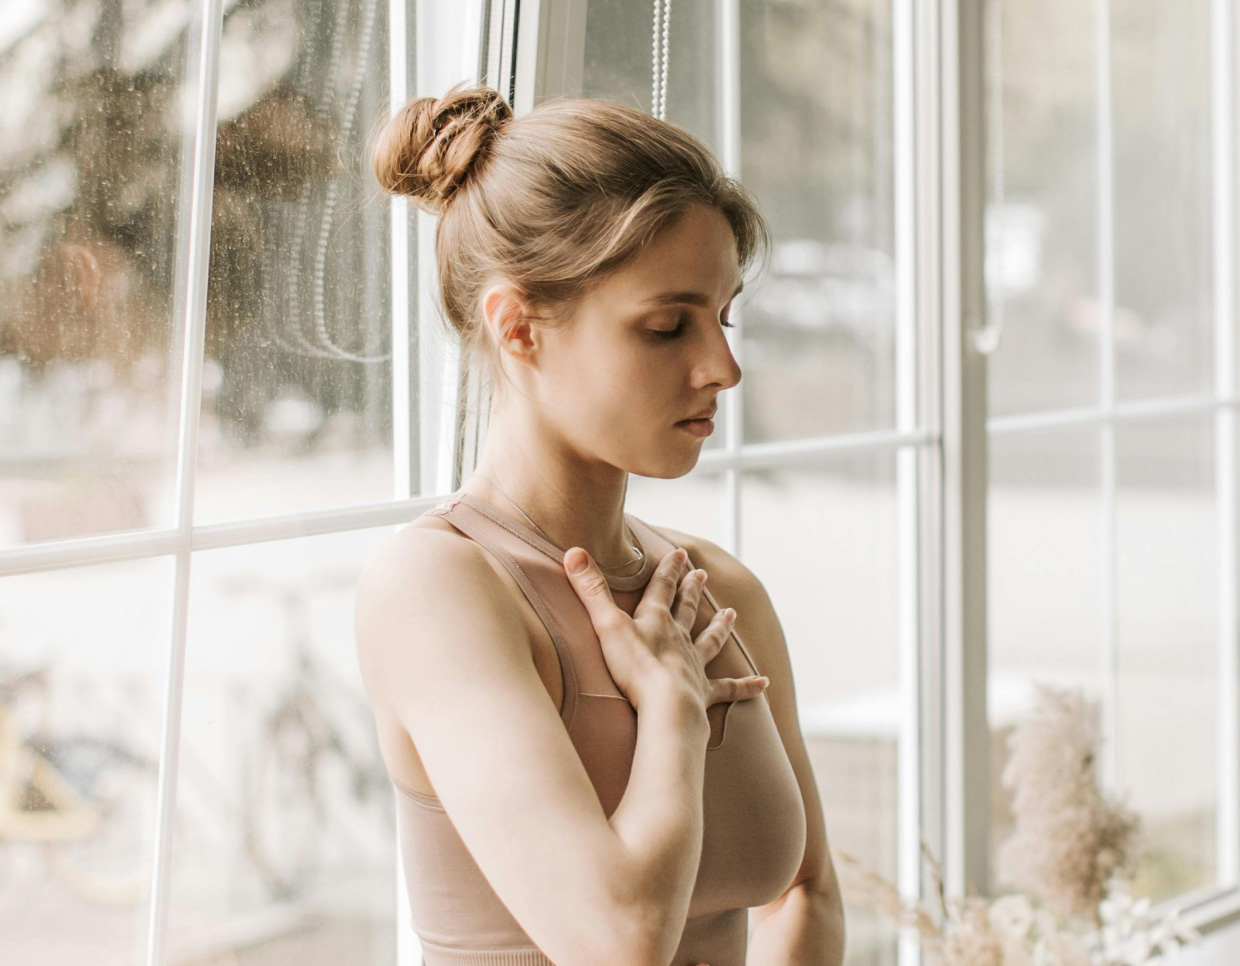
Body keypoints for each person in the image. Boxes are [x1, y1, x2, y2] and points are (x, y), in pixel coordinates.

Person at [354, 80, 845, 966]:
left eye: (725, 316)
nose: (723, 367)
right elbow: (617, 940)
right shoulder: (439, 589)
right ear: (519, 328)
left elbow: (806, 893)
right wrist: (670, 713)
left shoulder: (722, 591)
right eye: (668, 327)